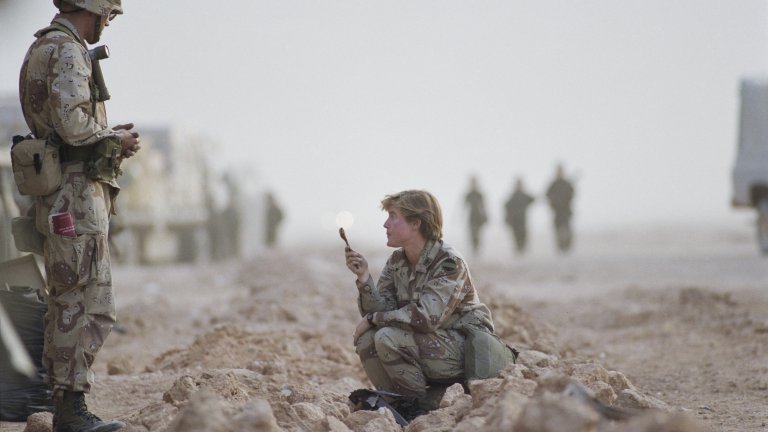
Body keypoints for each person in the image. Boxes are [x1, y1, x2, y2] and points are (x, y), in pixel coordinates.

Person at [18, 0, 141, 430]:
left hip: (59, 191)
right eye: (109, 13)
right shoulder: (67, 50)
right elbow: (71, 125)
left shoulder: (42, 47)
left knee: (67, 297)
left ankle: (66, 402)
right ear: (94, 9)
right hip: (75, 192)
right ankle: (71, 410)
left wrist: (104, 135)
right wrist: (115, 138)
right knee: (87, 300)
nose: (109, 22)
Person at [343, 190, 514, 421]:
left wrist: (374, 320)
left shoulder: (448, 262)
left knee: (386, 336)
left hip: (463, 349)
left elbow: (426, 318)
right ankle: (398, 403)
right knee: (367, 339)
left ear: (415, 223)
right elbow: (380, 310)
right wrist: (364, 278)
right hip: (432, 342)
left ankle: (416, 409)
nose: (386, 224)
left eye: (393, 216)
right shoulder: (397, 261)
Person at [545, 164, 575, 253]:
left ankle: (567, 247)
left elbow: (572, 194)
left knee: (566, 230)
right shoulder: (553, 184)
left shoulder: (567, 184)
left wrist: (565, 201)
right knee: (558, 231)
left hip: (565, 211)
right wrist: (554, 203)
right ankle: (560, 247)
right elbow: (548, 195)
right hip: (557, 212)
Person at [504, 177, 535, 255]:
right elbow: (507, 206)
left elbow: (532, 199)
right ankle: (519, 250)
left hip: (522, 220)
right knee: (517, 235)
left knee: (523, 235)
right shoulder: (513, 196)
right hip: (515, 221)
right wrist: (508, 218)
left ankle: (522, 250)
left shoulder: (523, 195)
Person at [463, 176, 487, 255]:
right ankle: (474, 249)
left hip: (479, 218)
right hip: (471, 217)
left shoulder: (479, 194)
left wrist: (485, 216)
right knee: (472, 234)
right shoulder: (468, 194)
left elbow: (483, 206)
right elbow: (464, 206)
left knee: (477, 234)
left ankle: (476, 249)